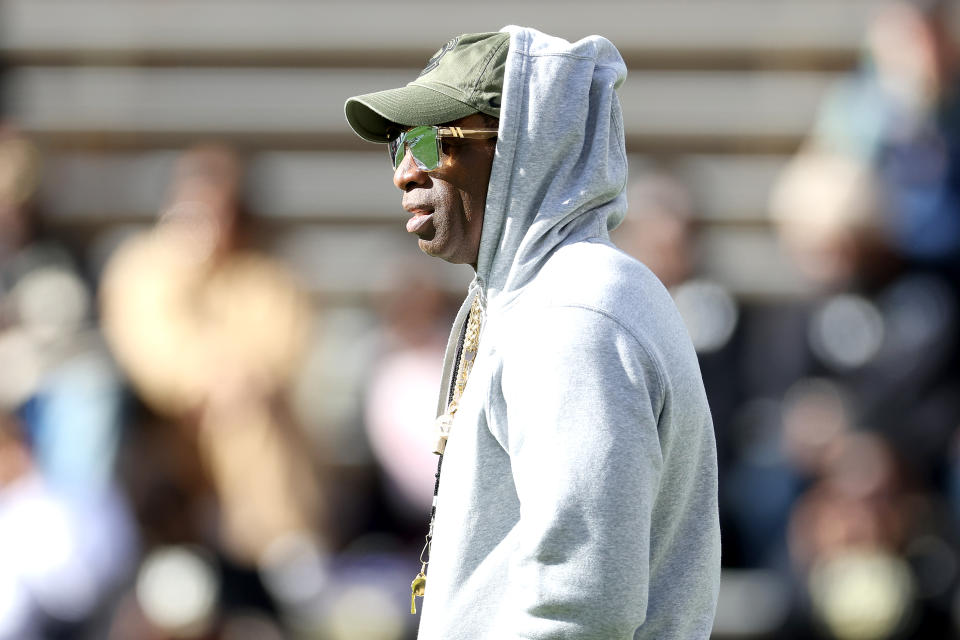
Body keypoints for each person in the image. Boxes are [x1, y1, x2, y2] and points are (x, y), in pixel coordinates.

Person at [345, 27, 720, 639]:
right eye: (395, 147)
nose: (404, 172)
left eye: (429, 141)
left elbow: (580, 602)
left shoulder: (574, 314)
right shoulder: (544, 297)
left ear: (524, 145)